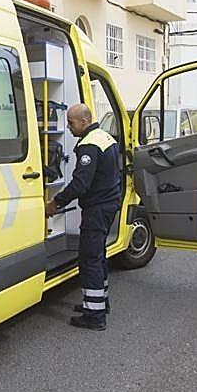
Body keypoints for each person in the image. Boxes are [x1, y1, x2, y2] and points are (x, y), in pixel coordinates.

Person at [45, 103, 122, 330]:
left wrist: (55, 203)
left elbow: (80, 184)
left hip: (97, 209)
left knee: (89, 259)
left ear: (84, 122)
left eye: (71, 122)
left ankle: (94, 317)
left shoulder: (89, 145)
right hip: (108, 205)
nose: (68, 127)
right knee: (98, 254)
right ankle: (97, 303)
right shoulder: (105, 137)